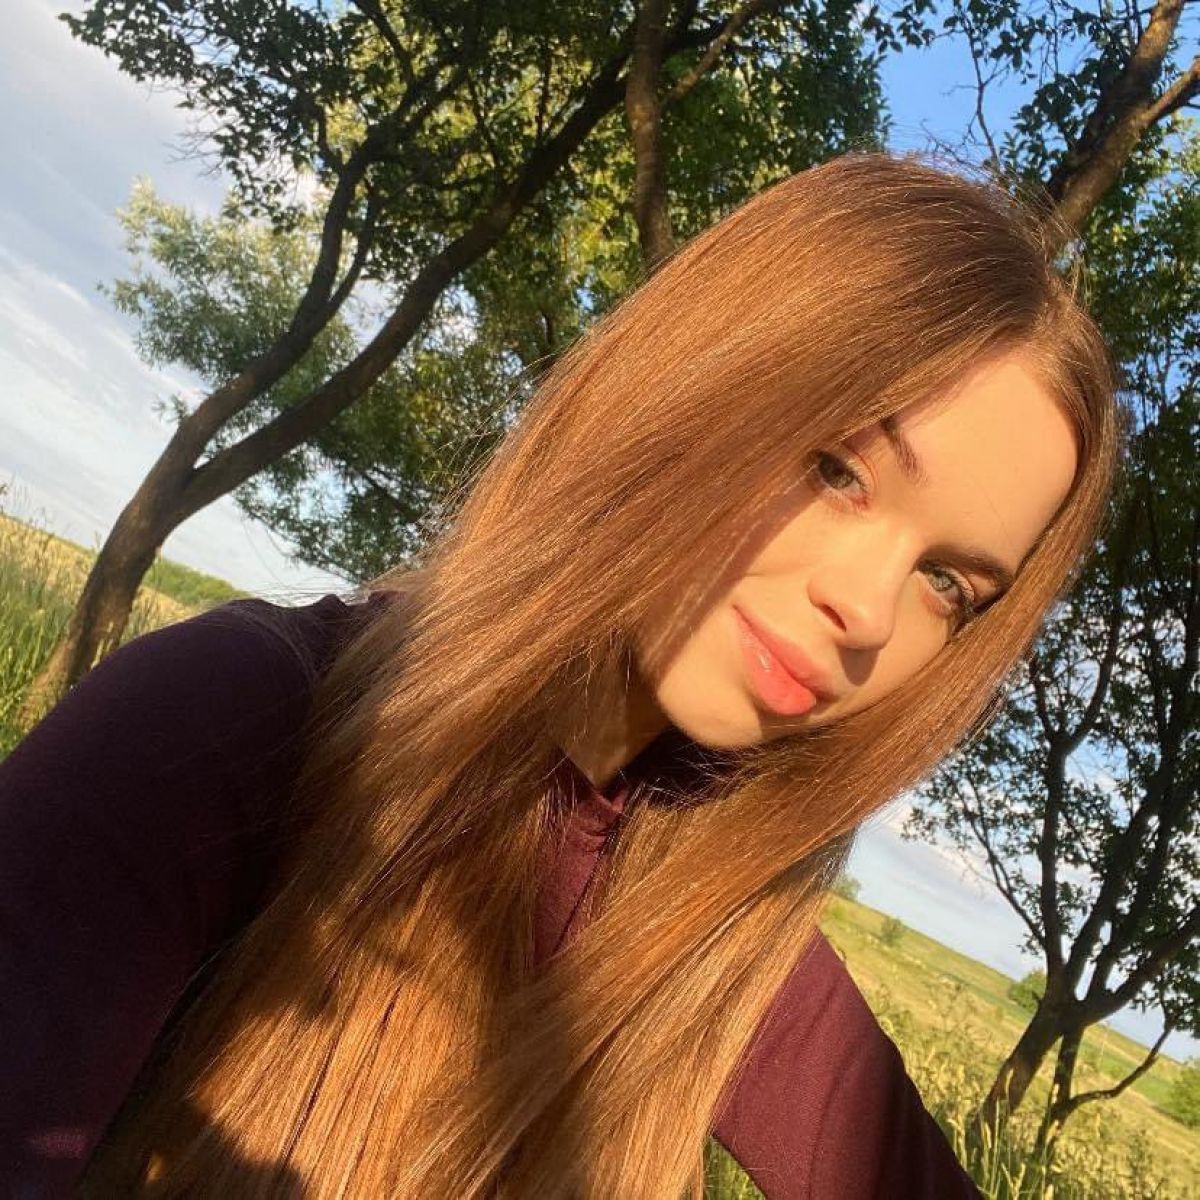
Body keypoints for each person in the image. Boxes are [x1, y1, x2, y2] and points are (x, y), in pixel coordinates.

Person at [0, 151, 1121, 1198]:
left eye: (947, 584)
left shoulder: (722, 924)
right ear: (692, 386)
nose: (869, 611)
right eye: (840, 470)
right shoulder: (226, 727)